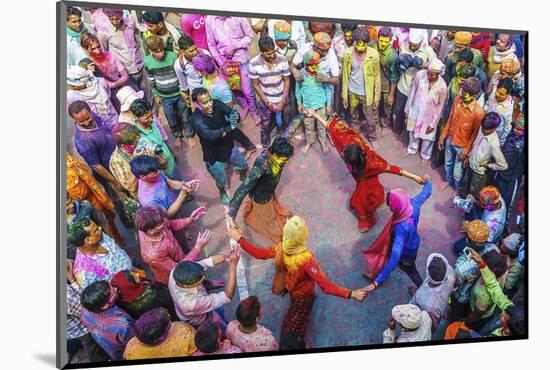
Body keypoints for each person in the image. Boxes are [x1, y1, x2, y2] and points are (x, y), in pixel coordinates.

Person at [228, 215, 367, 349]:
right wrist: (351, 293)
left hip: (291, 289)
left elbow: (258, 253)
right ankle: (297, 342)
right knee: (295, 325)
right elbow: (326, 286)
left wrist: (240, 238)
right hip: (304, 296)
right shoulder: (306, 260)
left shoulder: (280, 248)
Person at [305, 111, 425, 232]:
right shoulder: (348, 142)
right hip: (360, 180)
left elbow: (395, 169)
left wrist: (415, 177)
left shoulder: (373, 163)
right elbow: (331, 128)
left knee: (360, 203)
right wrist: (314, 114)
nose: (342, 154)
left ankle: (368, 220)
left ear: (355, 163)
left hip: (368, 184)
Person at [363, 179, 432, 291]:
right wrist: (427, 181)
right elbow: (427, 191)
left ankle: (423, 290)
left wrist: (376, 283)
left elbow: (395, 258)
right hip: (413, 242)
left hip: (406, 254)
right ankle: (376, 272)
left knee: (411, 271)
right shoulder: (414, 204)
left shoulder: (400, 229)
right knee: (387, 254)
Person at [228, 137, 294, 242]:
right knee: (268, 219)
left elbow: (290, 129)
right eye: (285, 160)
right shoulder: (263, 166)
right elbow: (243, 189)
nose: (286, 162)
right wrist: (231, 215)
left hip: (269, 191)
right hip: (262, 198)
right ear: (275, 156)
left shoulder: (277, 148)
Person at [190, 88, 249, 205]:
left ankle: (242, 174)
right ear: (197, 104)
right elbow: (212, 135)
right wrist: (229, 127)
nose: (210, 104)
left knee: (243, 165)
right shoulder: (196, 119)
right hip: (214, 154)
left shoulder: (217, 104)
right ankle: (222, 191)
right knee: (220, 178)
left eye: (210, 100)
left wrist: (234, 115)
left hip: (229, 146)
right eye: (205, 102)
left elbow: (230, 111)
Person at [190, 57, 257, 155]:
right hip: (218, 115)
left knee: (233, 132)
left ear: (203, 72)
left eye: (197, 70)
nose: (196, 73)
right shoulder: (206, 78)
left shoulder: (221, 88)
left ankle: (250, 146)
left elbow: (229, 108)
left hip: (225, 117)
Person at [205, 15, 261, 124]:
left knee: (247, 90)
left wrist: (235, 46)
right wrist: (221, 64)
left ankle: (254, 111)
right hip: (224, 62)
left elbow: (249, 36)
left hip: (241, 59)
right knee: (235, 88)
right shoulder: (209, 19)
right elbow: (211, 45)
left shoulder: (238, 16)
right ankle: (245, 107)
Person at [168, 249, 240, 331]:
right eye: (200, 282)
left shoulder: (177, 271)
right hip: (201, 319)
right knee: (220, 324)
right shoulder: (192, 303)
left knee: (219, 311)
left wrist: (226, 256)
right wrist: (233, 267)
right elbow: (227, 296)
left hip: (198, 307)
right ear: (187, 286)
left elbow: (206, 263)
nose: (204, 278)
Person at [135, 206, 208, 284]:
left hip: (181, 259)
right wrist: (197, 248)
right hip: (175, 277)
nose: (165, 221)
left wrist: (190, 219)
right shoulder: (154, 255)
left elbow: (171, 224)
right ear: (151, 231)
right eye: (161, 223)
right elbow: (179, 269)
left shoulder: (152, 226)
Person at [437, 77, 485, 195]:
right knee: (448, 163)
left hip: (462, 146)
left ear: (474, 95)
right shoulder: (457, 100)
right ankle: (448, 181)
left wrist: (467, 150)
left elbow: (475, 134)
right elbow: (450, 119)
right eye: (463, 92)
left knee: (458, 172)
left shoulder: (478, 112)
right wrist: (443, 136)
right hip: (450, 139)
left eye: (467, 94)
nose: (463, 95)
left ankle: (457, 189)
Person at [66, 151, 124, 245]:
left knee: (106, 219)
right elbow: (80, 193)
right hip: (81, 208)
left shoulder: (70, 163)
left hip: (92, 197)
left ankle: (118, 242)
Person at [144, 35, 192, 148]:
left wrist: (184, 91)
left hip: (179, 93)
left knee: (186, 115)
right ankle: (178, 135)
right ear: (150, 51)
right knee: (171, 117)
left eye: (162, 50)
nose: (160, 54)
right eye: (156, 51)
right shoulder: (147, 61)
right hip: (165, 96)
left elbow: (181, 74)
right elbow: (151, 79)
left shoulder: (172, 56)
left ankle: (189, 134)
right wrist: (156, 94)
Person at [68, 216, 134, 289]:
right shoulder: (84, 272)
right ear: (88, 240)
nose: (100, 228)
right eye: (96, 230)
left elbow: (117, 250)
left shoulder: (99, 236)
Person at [403, 58, 448, 164]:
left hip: (430, 115)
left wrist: (433, 124)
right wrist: (408, 108)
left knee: (428, 137)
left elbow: (440, 106)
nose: (429, 76)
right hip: (416, 110)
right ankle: (412, 149)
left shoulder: (442, 87)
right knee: (412, 131)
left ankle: (425, 155)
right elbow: (412, 91)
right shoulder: (420, 75)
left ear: (439, 74)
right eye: (428, 73)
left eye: (432, 75)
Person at [250, 36, 292, 148]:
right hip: (266, 99)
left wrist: (283, 101)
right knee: (265, 123)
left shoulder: (282, 59)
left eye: (273, 52)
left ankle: (284, 141)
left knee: (286, 121)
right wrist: (268, 102)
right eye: (268, 54)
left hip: (282, 97)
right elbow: (256, 85)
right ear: (262, 52)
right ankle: (265, 144)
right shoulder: (254, 63)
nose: (272, 55)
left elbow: (287, 80)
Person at [341, 27, 381, 142]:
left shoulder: (374, 55)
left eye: (363, 45)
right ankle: (355, 135)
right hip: (352, 91)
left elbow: (377, 77)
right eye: (358, 44)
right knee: (354, 116)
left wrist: (376, 97)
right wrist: (345, 95)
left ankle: (372, 138)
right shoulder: (348, 53)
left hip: (367, 94)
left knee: (370, 119)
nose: (360, 48)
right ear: (354, 42)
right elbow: (345, 75)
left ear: (367, 44)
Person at [392, 29, 435, 134]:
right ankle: (397, 130)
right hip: (403, 85)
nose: (411, 47)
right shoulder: (404, 46)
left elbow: (436, 67)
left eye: (414, 45)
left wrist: (423, 65)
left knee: (414, 113)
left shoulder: (428, 51)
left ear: (420, 43)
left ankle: (409, 134)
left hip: (418, 89)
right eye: (410, 44)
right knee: (399, 110)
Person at [66, 260, 110, 362]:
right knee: (91, 344)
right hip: (81, 328)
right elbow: (85, 306)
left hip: (68, 328)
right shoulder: (65, 297)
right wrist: (72, 280)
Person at [80, 280, 135, 360]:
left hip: (108, 348)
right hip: (124, 352)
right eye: (113, 292)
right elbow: (133, 342)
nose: (115, 289)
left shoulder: (85, 310)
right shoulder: (122, 324)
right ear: (105, 306)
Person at [130, 155, 199, 218]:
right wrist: (182, 195)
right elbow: (167, 215)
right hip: (172, 217)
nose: (159, 172)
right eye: (155, 173)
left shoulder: (154, 174)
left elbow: (170, 182)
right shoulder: (149, 201)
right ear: (143, 177)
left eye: (158, 170)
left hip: (175, 203)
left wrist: (185, 184)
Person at [81, 33, 133, 112]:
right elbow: (105, 84)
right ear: (86, 49)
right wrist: (117, 83)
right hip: (107, 98)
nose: (98, 51)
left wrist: (115, 84)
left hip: (122, 89)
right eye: (93, 49)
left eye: (98, 46)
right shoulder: (90, 65)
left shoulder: (110, 55)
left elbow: (125, 76)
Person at [410, 253, 456, 338]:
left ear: (428, 272)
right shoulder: (450, 271)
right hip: (443, 303)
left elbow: (432, 324)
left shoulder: (428, 305)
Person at [123, 307, 197, 360]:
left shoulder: (131, 347)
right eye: (169, 321)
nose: (169, 316)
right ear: (161, 337)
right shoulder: (185, 333)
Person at [129, 98, 178, 178]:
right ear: (136, 117)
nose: (151, 119)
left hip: (171, 162)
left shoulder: (153, 122)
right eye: (147, 118)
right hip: (164, 173)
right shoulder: (139, 137)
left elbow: (162, 141)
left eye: (151, 115)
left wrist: (172, 154)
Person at [464, 113, 508, 199]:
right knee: (465, 186)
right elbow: (476, 144)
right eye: (482, 128)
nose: (483, 131)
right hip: (470, 165)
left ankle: (470, 210)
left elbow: (503, 165)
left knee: (474, 194)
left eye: (486, 130)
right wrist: (469, 156)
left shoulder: (494, 144)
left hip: (479, 173)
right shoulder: (482, 129)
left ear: (494, 128)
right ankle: (462, 202)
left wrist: (488, 165)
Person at [295, 51, 332, 155]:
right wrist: (299, 103)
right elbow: (298, 89)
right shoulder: (301, 74)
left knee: (321, 125)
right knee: (308, 126)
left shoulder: (321, 73)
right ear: (306, 65)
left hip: (321, 104)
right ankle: (309, 142)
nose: (315, 68)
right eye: (312, 66)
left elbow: (328, 89)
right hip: (307, 106)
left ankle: (323, 142)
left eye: (317, 65)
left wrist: (328, 104)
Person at [98, 8, 144, 88]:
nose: (115, 22)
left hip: (140, 66)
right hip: (126, 72)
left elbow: (137, 39)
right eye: (111, 19)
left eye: (117, 19)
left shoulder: (130, 23)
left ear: (122, 15)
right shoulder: (103, 32)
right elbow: (105, 51)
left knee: (148, 94)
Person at [67, 66, 119, 130]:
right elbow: (108, 95)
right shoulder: (99, 81)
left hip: (97, 127)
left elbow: (73, 112)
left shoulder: (71, 96)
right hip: (113, 119)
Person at [109, 270, 176, 320]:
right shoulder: (155, 293)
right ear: (131, 287)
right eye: (135, 277)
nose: (138, 274)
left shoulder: (121, 302)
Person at [493, 113, 525, 214]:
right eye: (516, 127)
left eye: (520, 130)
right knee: (496, 194)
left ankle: (504, 218)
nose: (516, 131)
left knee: (506, 201)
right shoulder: (512, 133)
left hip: (512, 178)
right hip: (501, 172)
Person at [369, 26, 400, 130]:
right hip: (373, 84)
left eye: (386, 42)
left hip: (386, 86)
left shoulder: (392, 56)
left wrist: (391, 94)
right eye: (381, 41)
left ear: (390, 41)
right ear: (378, 38)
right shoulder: (371, 46)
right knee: (374, 106)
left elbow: (394, 76)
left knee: (387, 108)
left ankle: (385, 125)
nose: (382, 44)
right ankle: (374, 125)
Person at [484, 78, 514, 145]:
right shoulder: (493, 94)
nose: (497, 94)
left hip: (495, 137)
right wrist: (485, 110)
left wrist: (500, 143)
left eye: (501, 94)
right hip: (484, 129)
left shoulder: (509, 109)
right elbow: (487, 103)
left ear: (508, 94)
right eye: (497, 91)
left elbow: (507, 128)